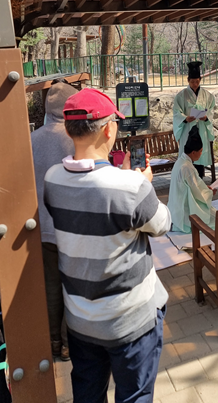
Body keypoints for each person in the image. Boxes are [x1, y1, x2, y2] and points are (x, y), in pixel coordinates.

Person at [44, 88, 171, 403]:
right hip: (129, 322)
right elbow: (162, 224)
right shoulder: (131, 187)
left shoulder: (52, 180)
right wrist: (141, 182)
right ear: (108, 129)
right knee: (134, 396)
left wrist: (126, 180)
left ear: (69, 130)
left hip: (80, 321)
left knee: (88, 395)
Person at [31, 81, 79, 361]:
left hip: (43, 227)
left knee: (51, 286)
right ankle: (69, 344)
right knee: (72, 285)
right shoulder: (76, 138)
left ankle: (52, 342)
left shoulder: (32, 140)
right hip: (71, 227)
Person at [168, 125, 216, 234]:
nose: (201, 154)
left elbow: (194, 185)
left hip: (175, 208)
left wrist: (205, 188)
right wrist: (209, 193)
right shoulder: (187, 167)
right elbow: (197, 191)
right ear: (193, 152)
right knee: (214, 219)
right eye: (200, 151)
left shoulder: (180, 161)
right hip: (183, 211)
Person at [173, 61, 215, 179]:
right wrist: (185, 118)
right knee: (188, 154)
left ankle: (199, 178)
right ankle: (187, 179)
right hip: (188, 128)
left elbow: (211, 110)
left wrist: (206, 117)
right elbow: (176, 112)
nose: (195, 84)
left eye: (197, 81)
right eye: (192, 82)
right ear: (188, 81)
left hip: (201, 128)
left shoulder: (207, 95)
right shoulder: (181, 95)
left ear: (200, 80)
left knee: (199, 153)